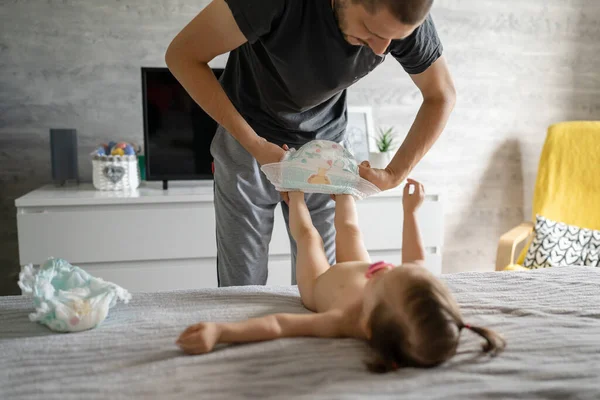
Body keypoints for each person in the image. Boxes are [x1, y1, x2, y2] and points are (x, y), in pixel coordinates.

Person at [165, 0, 456, 286]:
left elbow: (441, 96)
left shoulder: (401, 16)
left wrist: (394, 175)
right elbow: (182, 56)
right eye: (371, 30)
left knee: (322, 282)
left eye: (395, 39)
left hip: (325, 152)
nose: (382, 49)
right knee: (242, 283)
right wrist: (254, 143)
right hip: (246, 137)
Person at [176, 180, 506, 372]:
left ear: (370, 322)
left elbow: (280, 325)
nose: (381, 270)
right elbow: (415, 259)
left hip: (318, 284)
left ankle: (293, 195)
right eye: (394, 270)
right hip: (354, 269)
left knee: (309, 238)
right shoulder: (411, 293)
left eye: (382, 279)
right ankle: (344, 191)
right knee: (349, 227)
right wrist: (410, 212)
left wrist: (221, 332)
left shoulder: (343, 320)